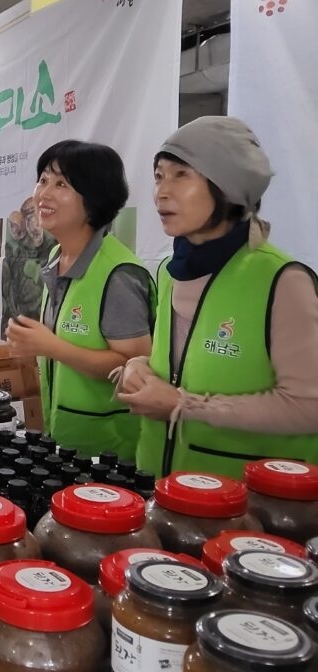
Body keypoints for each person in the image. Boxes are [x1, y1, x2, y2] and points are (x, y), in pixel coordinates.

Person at [117, 117, 318, 478]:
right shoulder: (169, 272)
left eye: (181, 175)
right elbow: (184, 366)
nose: (161, 192)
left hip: (248, 507)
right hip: (161, 492)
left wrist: (184, 405)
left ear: (228, 186)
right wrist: (139, 367)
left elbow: (308, 405)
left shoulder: (282, 280)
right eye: (159, 176)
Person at [6, 140, 154, 461]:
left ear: (94, 197)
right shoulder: (58, 256)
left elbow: (132, 367)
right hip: (66, 443)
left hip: (110, 454)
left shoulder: (119, 274)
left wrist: (50, 346)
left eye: (61, 184)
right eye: (43, 180)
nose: (43, 194)